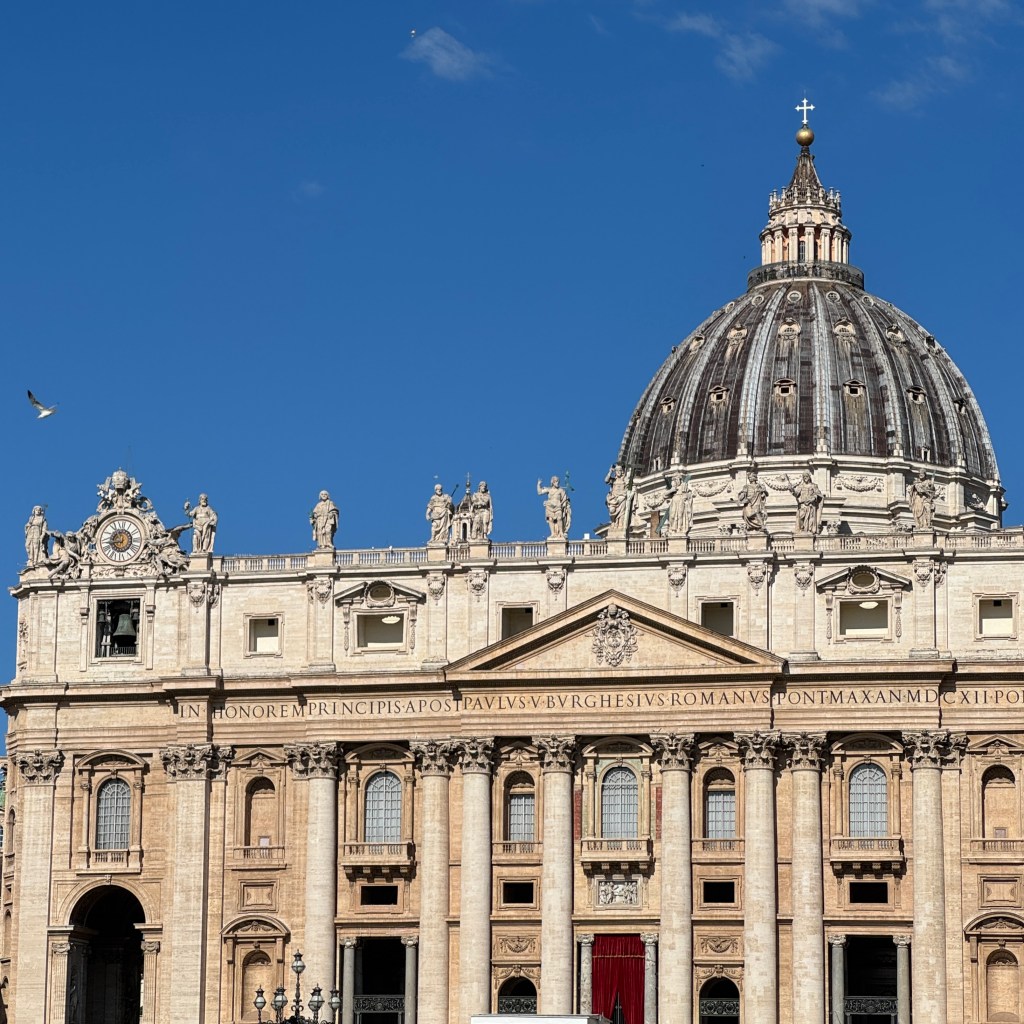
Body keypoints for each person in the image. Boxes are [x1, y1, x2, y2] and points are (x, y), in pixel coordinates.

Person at [605, 464, 629, 531]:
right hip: (613, 498)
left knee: (622, 512)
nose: (618, 472)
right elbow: (606, 480)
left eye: (620, 470)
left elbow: (628, 488)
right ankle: (614, 522)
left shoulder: (624, 480)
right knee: (612, 510)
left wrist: (624, 493)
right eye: (617, 470)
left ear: (622, 471)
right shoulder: (613, 480)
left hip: (622, 498)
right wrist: (610, 472)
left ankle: (620, 524)